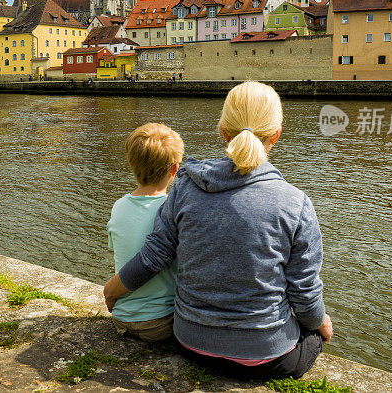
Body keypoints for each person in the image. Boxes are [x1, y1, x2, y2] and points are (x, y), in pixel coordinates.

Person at [104, 81, 331, 380]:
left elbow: (155, 255)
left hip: (191, 342)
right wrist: (321, 323)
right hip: (266, 356)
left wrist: (112, 290)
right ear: (276, 134)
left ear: (223, 130)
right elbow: (303, 291)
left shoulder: (185, 185)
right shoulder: (296, 203)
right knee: (314, 333)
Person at [106, 123, 184, 342]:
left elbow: (119, 249)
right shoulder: (174, 209)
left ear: (131, 163)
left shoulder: (118, 206)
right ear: (174, 169)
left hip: (121, 318)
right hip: (160, 323)